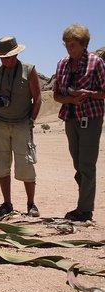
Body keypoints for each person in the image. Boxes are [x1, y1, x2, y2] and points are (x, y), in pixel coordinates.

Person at [53, 24, 105, 222]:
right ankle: (84, 202)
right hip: (71, 116)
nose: (69, 48)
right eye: (66, 44)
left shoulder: (96, 62)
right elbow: (57, 95)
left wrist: (89, 94)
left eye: (73, 45)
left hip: (91, 117)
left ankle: (85, 210)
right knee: (77, 162)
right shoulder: (62, 64)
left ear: (83, 44)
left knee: (86, 164)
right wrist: (71, 99)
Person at [0, 36, 42, 217]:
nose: (7, 60)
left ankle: (31, 204)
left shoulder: (29, 70)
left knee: (26, 164)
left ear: (17, 54)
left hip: (21, 124)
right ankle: (7, 203)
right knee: (1, 165)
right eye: (3, 57)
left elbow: (38, 97)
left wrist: (31, 121)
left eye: (10, 56)